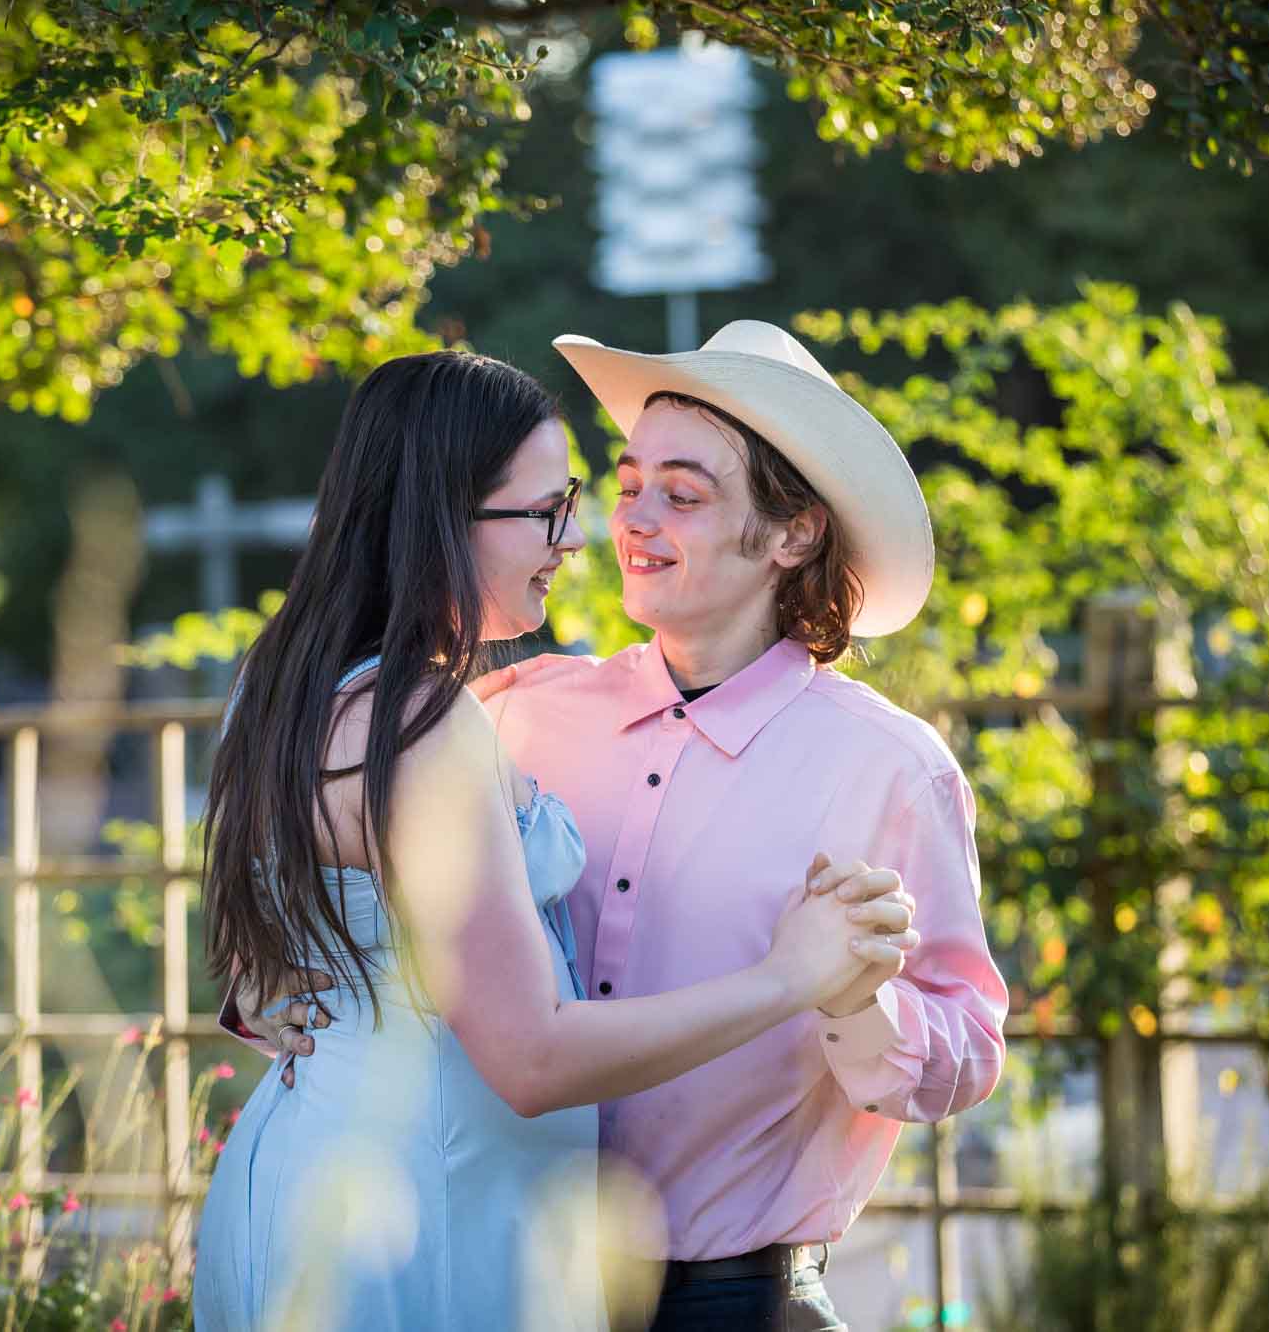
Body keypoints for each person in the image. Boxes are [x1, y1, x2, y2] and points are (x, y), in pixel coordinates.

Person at [248, 323, 1010, 1332]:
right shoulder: (511, 710)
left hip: (732, 1297)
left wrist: (856, 999)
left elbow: (963, 1051)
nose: (630, 522)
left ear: (792, 534)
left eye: (682, 496)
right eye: (626, 482)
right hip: (499, 1279)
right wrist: (274, 982)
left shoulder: (889, 768)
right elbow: (368, 888)